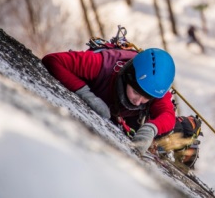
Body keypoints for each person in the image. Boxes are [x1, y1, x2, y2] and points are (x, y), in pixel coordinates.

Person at [42, 47, 176, 155]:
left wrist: (151, 128)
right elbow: (53, 60)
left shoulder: (155, 88)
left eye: (146, 98)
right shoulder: (102, 65)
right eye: (135, 92)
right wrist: (85, 94)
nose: (138, 102)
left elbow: (168, 115)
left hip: (127, 117)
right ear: (128, 77)